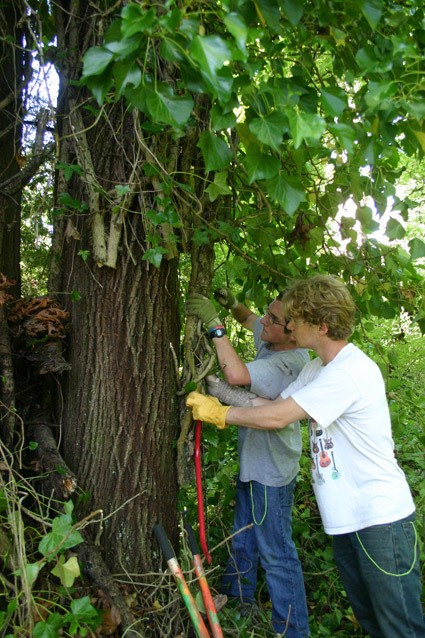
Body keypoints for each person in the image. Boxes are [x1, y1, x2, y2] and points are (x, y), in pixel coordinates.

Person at [187, 275, 425, 638]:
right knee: (373, 621)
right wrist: (219, 396)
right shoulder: (317, 368)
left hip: (380, 520)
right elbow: (276, 405)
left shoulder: (349, 372)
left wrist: (221, 414)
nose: (288, 325)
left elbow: (276, 418)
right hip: (347, 522)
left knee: (400, 627)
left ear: (321, 326)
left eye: (295, 319)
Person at [186, 288, 310, 638]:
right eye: (268, 313)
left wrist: (216, 326)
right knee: (243, 537)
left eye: (274, 319)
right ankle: (240, 603)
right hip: (253, 464)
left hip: (271, 471)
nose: (264, 321)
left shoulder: (288, 362)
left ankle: (293, 630)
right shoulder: (274, 337)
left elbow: (237, 377)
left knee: (277, 555)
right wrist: (235, 306)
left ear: (294, 331)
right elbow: (253, 321)